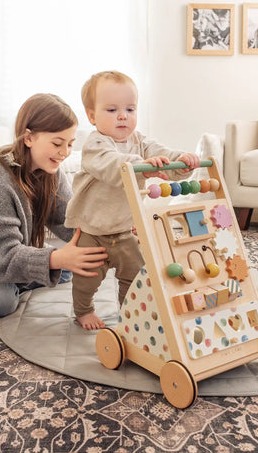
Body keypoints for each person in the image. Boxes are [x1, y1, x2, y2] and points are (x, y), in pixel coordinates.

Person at [0, 93, 108, 319]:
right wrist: (54, 259)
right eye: (57, 143)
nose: (65, 152)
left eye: (70, 144)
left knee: (66, 272)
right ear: (29, 138)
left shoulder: (51, 171)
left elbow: (70, 220)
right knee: (2, 303)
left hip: (4, 249)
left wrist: (108, 232)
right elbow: (1, 255)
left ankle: (1, 278)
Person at [64, 71, 200, 330]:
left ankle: (130, 314)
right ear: (92, 116)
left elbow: (161, 154)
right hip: (93, 231)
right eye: (112, 109)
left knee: (136, 275)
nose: (123, 116)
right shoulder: (95, 144)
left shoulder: (140, 141)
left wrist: (182, 162)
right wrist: (143, 167)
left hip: (125, 230)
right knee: (86, 278)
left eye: (130, 108)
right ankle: (83, 310)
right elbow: (112, 166)